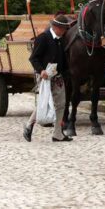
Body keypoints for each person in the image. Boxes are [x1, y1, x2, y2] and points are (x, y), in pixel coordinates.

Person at [23, 15, 72, 143]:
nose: (65, 31)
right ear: (56, 27)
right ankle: (29, 125)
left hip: (57, 77)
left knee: (61, 104)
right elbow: (33, 58)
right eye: (63, 29)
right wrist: (41, 71)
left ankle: (57, 134)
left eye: (65, 29)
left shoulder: (61, 40)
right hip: (44, 77)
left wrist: (67, 72)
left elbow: (62, 59)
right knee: (43, 103)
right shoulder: (43, 38)